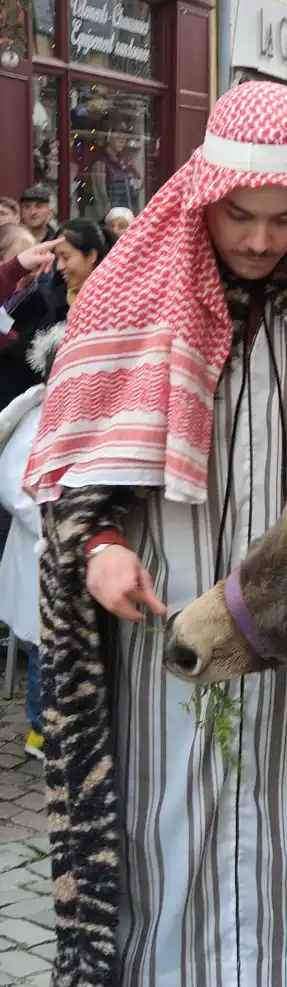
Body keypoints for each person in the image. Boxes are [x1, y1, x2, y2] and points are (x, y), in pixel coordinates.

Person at [24, 81, 287, 987]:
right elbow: (72, 472)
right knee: (171, 826)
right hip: (167, 632)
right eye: (237, 217)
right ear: (202, 199)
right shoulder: (130, 303)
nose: (259, 240)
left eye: (279, 219)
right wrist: (98, 545)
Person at [0, 237, 61, 758]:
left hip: (71, 551)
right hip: (43, 547)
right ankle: (41, 724)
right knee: (44, 643)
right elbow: (14, 484)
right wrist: (52, 525)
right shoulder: (35, 415)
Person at [0, 225, 54, 411]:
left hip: (14, 405)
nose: (25, 271)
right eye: (20, 263)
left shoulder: (43, 304)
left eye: (31, 264)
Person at [46, 219, 116, 323]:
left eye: (66, 257)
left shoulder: (115, 300)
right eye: (57, 259)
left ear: (92, 255)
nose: (59, 267)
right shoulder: (54, 297)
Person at [91, 122, 140, 218]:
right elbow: (100, 196)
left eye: (125, 138)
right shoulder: (101, 163)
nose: (122, 141)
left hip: (127, 215)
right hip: (111, 218)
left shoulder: (124, 162)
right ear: (109, 138)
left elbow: (134, 189)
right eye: (118, 137)